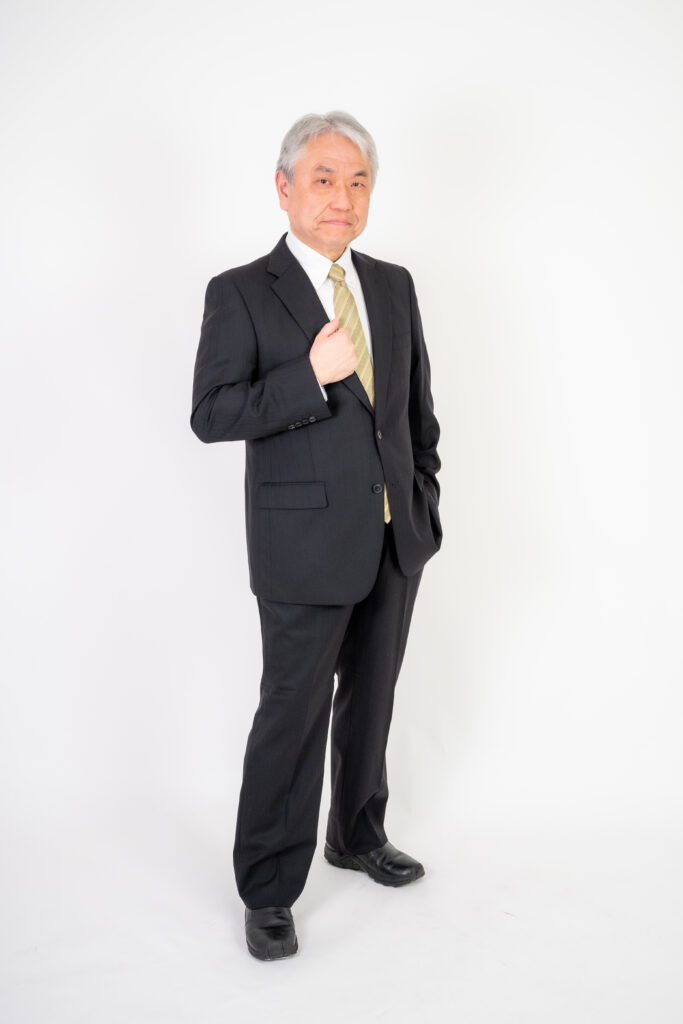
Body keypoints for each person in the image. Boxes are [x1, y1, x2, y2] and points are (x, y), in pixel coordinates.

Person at [190, 111, 443, 960]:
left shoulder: (393, 284)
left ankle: (357, 834)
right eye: (324, 179)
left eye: (357, 181)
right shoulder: (240, 291)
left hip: (393, 537)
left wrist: (422, 499)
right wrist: (308, 375)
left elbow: (413, 413)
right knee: (291, 715)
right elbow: (211, 413)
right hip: (300, 548)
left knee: (372, 699)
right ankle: (267, 889)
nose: (342, 197)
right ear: (284, 188)